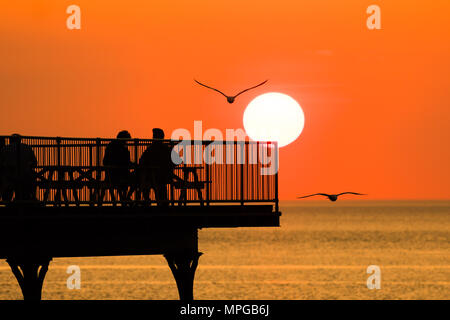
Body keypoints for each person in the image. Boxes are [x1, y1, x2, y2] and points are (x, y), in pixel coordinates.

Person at [139, 128, 177, 205]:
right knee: (160, 190)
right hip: (162, 176)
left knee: (146, 182)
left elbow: (142, 161)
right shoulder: (165, 148)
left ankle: (147, 200)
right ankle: (161, 203)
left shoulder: (151, 149)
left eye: (154, 136)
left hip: (154, 176)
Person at [0, 134, 37, 202]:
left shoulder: (4, 149)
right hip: (25, 175)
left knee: (7, 189)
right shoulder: (27, 147)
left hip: (9, 176)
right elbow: (34, 163)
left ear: (10, 140)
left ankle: (7, 202)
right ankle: (32, 197)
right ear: (20, 140)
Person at [102, 130, 132, 203]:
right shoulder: (121, 148)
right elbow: (125, 161)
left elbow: (105, 161)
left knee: (126, 179)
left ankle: (125, 198)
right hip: (117, 174)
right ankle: (126, 198)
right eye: (126, 141)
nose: (127, 143)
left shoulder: (111, 146)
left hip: (110, 174)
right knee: (135, 179)